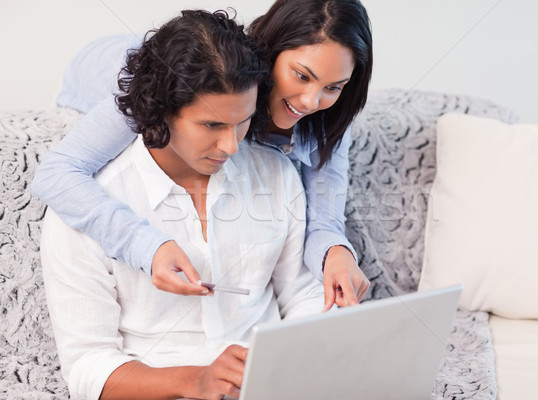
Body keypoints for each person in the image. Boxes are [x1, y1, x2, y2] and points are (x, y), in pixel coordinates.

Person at [41, 9, 324, 400]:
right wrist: (196, 381)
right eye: (211, 126)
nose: (232, 146)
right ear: (160, 112)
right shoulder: (83, 208)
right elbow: (88, 367)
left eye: (242, 122)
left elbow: (301, 294)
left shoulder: (276, 173)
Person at [33, 0, 373, 311]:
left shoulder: (327, 125)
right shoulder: (163, 85)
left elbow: (325, 219)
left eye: (334, 87)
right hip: (99, 62)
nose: (311, 102)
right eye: (301, 76)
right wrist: (147, 246)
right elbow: (57, 174)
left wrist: (336, 253)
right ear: (272, 52)